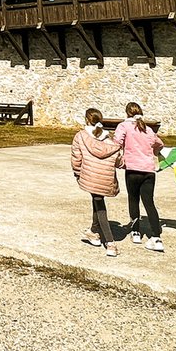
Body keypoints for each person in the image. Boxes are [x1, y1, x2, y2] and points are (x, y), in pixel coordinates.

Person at [71, 107, 123, 257]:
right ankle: (94, 231)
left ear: (87, 120)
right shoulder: (110, 140)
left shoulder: (81, 136)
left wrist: (78, 173)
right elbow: (119, 162)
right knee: (97, 199)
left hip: (89, 175)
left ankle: (110, 242)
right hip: (106, 178)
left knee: (100, 207)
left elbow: (76, 158)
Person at [115, 101, 166, 252]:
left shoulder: (124, 126)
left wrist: (119, 158)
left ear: (127, 113)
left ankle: (135, 231)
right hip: (148, 170)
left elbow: (117, 143)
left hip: (132, 169)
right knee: (149, 203)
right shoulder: (148, 129)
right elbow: (159, 144)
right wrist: (153, 152)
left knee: (133, 200)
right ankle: (156, 237)